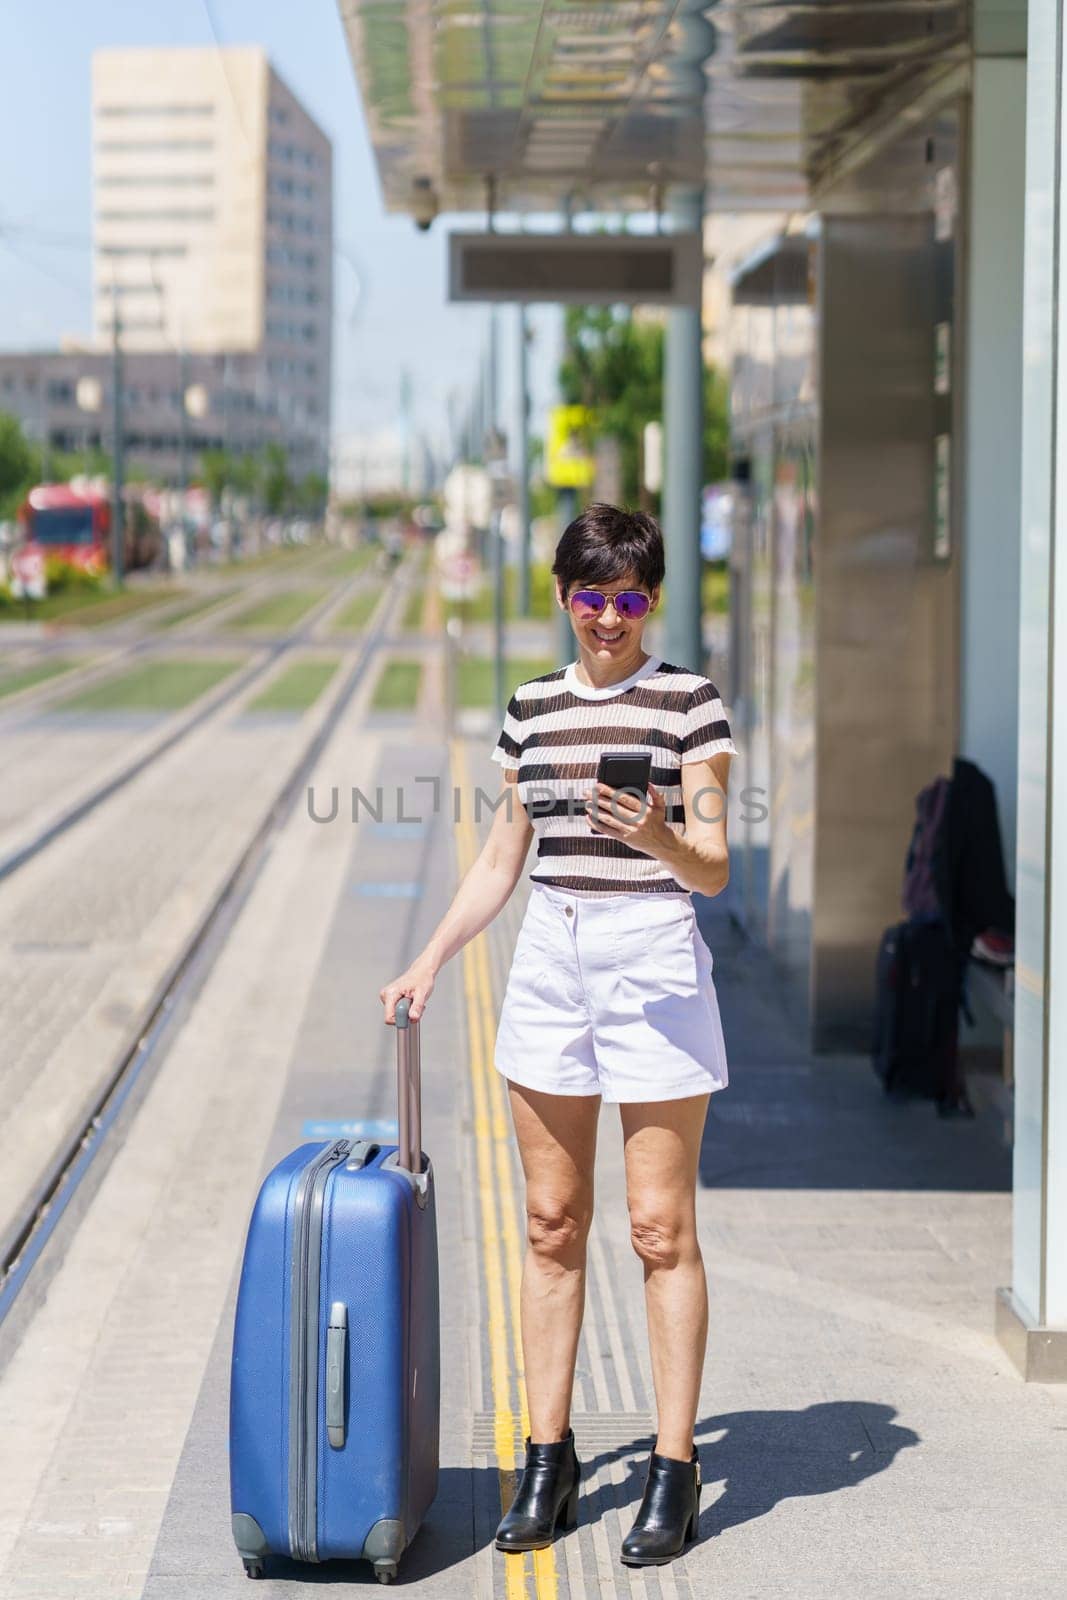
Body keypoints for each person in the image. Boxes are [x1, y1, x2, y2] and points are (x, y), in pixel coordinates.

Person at [380, 503, 735, 1568]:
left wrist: (663, 834)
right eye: (591, 598)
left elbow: (714, 866)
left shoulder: (687, 704)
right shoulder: (530, 709)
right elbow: (501, 857)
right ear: (563, 598)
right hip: (549, 962)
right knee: (548, 1220)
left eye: (629, 599)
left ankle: (672, 1467)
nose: (610, 619)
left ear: (653, 600)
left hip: (651, 960)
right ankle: (549, 1456)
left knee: (658, 1228)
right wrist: (431, 955)